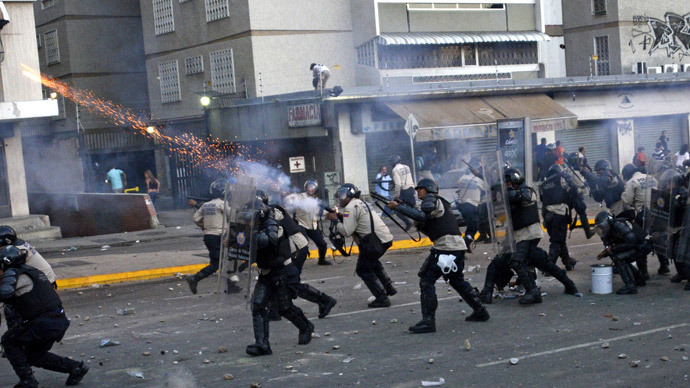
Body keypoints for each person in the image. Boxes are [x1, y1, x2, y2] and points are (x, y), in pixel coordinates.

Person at [387, 179, 489, 333]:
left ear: (428, 189)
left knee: (427, 280)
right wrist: (405, 207)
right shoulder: (438, 204)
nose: (418, 192)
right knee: (456, 280)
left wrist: (399, 207)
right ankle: (480, 310)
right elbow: (427, 222)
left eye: (420, 189)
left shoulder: (431, 200)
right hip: (455, 247)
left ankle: (428, 321)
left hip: (446, 248)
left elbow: (422, 216)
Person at [0, 246, 89, 387]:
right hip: (56, 321)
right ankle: (75, 367)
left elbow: (4, 293)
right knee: (33, 355)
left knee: (9, 340)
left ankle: (28, 381)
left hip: (44, 323)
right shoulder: (31, 270)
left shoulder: (14, 274)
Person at [245, 199, 315, 356]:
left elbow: (268, 240)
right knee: (258, 305)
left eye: (250, 219)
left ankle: (306, 327)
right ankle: (262, 344)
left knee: (284, 307)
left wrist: (248, 237)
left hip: (281, 271)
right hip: (266, 272)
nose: (248, 222)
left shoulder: (272, 223)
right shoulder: (255, 226)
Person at [263, 191, 337, 320]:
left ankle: (324, 300)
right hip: (289, 249)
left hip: (295, 248)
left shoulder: (272, 213)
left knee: (290, 282)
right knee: (277, 279)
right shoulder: (268, 212)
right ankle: (275, 311)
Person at [325, 184, 397, 308]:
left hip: (373, 242)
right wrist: (339, 217)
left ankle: (382, 298)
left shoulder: (350, 208)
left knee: (363, 269)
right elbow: (355, 221)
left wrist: (335, 220)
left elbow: (346, 231)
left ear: (350, 195)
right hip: (383, 238)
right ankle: (388, 287)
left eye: (343, 195)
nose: (341, 199)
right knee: (372, 262)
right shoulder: (360, 203)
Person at [0, 226, 58, 333]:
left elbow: (7, 271)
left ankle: (16, 339)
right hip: (43, 279)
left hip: (42, 282)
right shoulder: (15, 246)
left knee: (12, 309)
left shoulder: (18, 251)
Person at [479, 247, 579, 304]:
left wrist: (501, 284)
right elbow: (528, 274)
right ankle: (570, 285)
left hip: (519, 254)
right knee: (550, 267)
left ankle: (487, 293)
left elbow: (512, 274)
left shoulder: (501, 261)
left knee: (497, 264)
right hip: (533, 252)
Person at [504, 167, 545, 305]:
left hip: (529, 232)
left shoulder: (527, 190)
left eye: (507, 182)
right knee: (522, 262)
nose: (506, 185)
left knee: (517, 262)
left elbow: (524, 197)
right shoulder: (511, 193)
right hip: (521, 233)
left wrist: (508, 192)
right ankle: (533, 291)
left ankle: (532, 292)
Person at [186, 179, 233, 294]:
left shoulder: (206, 205)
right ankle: (195, 278)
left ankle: (231, 285)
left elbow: (195, 218)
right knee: (219, 263)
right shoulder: (222, 204)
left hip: (208, 236)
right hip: (219, 236)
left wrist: (206, 226)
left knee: (223, 261)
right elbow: (232, 216)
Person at [593, 211, 650, 294]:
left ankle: (630, 286)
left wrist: (612, 249)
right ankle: (639, 279)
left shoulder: (620, 226)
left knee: (619, 258)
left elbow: (632, 241)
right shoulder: (607, 230)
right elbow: (607, 243)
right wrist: (606, 251)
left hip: (642, 245)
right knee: (615, 255)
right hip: (635, 245)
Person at [539, 165, 578, 271]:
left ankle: (568, 262)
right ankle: (549, 266)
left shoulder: (543, 185)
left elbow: (543, 199)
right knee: (556, 241)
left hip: (548, 216)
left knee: (559, 240)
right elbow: (574, 188)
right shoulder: (561, 179)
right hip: (560, 214)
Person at [285, 179, 331, 265]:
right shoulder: (301, 196)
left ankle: (321, 260)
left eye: (313, 187)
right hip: (301, 224)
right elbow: (290, 199)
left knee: (322, 244)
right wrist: (289, 197)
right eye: (309, 187)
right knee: (303, 243)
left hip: (313, 225)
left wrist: (332, 214)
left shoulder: (317, 200)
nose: (310, 189)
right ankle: (295, 261)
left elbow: (321, 212)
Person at [454, 158, 488, 252]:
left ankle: (466, 245)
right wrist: (480, 175)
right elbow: (487, 187)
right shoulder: (478, 180)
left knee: (470, 227)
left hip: (463, 205)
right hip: (472, 206)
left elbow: (458, 185)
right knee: (473, 228)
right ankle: (464, 246)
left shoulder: (462, 178)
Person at [563, 153, 595, 239]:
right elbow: (581, 184)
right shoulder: (575, 171)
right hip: (576, 196)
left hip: (568, 196)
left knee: (566, 215)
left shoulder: (566, 169)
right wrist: (587, 181)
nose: (581, 162)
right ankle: (588, 233)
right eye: (580, 160)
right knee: (582, 214)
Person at [389, 155, 416, 231]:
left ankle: (408, 223)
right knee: (413, 208)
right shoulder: (407, 167)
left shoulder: (395, 170)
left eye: (391, 162)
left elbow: (398, 184)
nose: (390, 164)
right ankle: (421, 223)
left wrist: (397, 196)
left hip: (404, 191)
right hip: (411, 189)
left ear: (394, 162)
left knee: (397, 210)